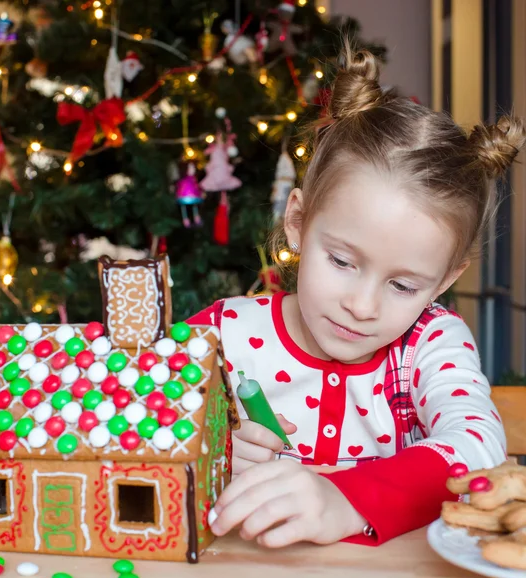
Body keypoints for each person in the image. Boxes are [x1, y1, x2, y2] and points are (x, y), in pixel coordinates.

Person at [186, 43, 526, 549]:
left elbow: (477, 448)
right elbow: (138, 416)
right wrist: (208, 452)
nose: (362, 307)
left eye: (404, 285)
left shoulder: (432, 344)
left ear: (445, 281)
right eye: (343, 262)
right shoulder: (222, 334)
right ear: (298, 224)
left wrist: (345, 500)